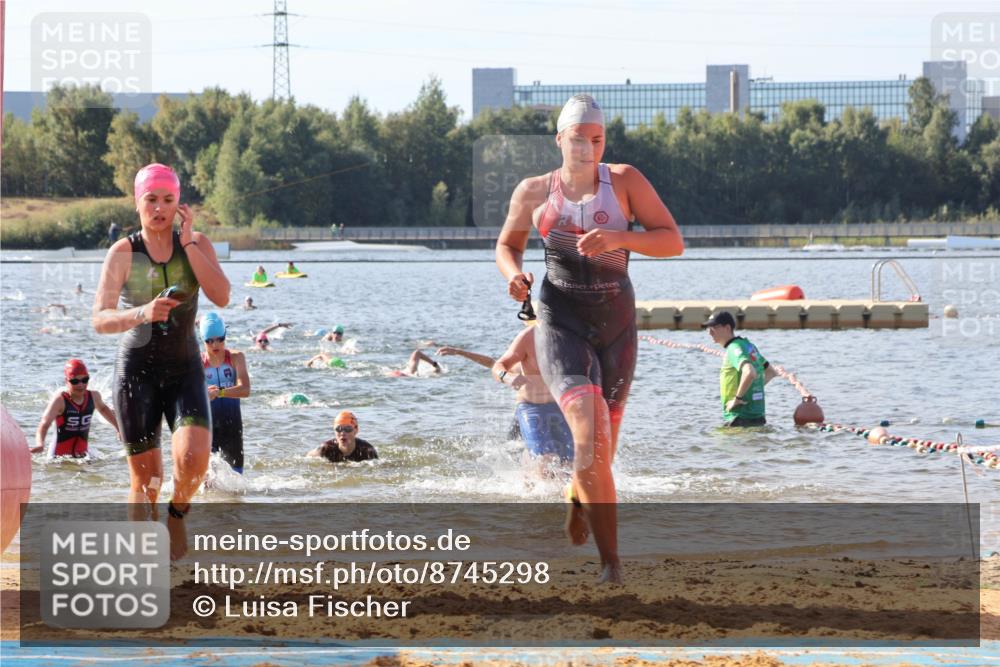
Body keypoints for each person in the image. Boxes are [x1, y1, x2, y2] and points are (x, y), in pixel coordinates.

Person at [495, 94, 684, 584]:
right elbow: (507, 245)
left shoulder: (624, 182)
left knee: (603, 453)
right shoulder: (534, 191)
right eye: (578, 139)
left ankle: (578, 497)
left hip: (616, 325)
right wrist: (514, 275)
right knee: (586, 441)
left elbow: (671, 240)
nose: (587, 148)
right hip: (561, 322)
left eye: (596, 139)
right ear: (560, 140)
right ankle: (611, 565)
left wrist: (622, 239)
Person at [92, 162, 230, 560]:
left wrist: (187, 243)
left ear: (178, 204)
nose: (159, 208)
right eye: (151, 199)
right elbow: (99, 320)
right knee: (146, 479)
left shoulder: (198, 243)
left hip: (185, 369)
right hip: (136, 373)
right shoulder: (123, 253)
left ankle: (177, 513)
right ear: (138, 203)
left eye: (168, 199)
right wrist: (142, 312)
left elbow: (221, 296)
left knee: (194, 461)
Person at [438, 326, 573, 462]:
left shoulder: (555, 352)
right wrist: (459, 352)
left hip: (554, 409)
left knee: (562, 456)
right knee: (517, 449)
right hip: (527, 411)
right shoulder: (518, 362)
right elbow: (493, 364)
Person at [702, 311, 777, 427]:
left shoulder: (733, 348)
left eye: (714, 327)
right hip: (758, 417)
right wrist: (749, 391)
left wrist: (737, 399)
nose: (709, 332)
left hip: (739, 418)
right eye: (708, 328)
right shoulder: (748, 345)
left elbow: (749, 372)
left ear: (727, 328)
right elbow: (771, 372)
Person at [33, 359, 119, 457]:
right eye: (75, 381)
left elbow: (103, 409)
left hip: (83, 454)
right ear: (67, 381)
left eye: (84, 380)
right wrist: (40, 444)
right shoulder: (60, 400)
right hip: (58, 456)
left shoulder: (94, 397)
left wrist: (118, 428)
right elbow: (44, 424)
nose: (80, 385)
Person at [201, 312, 251, 473]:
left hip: (232, 425)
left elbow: (245, 390)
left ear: (225, 336)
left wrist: (219, 393)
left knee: (237, 480)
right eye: (209, 341)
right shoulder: (198, 363)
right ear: (203, 340)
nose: (215, 345)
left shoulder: (236, 358)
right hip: (207, 427)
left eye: (219, 339)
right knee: (207, 480)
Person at [307, 411, 378, 463]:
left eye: (348, 429)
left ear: (356, 431)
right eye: (338, 429)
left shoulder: (367, 450)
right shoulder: (326, 449)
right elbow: (307, 458)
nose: (343, 433)